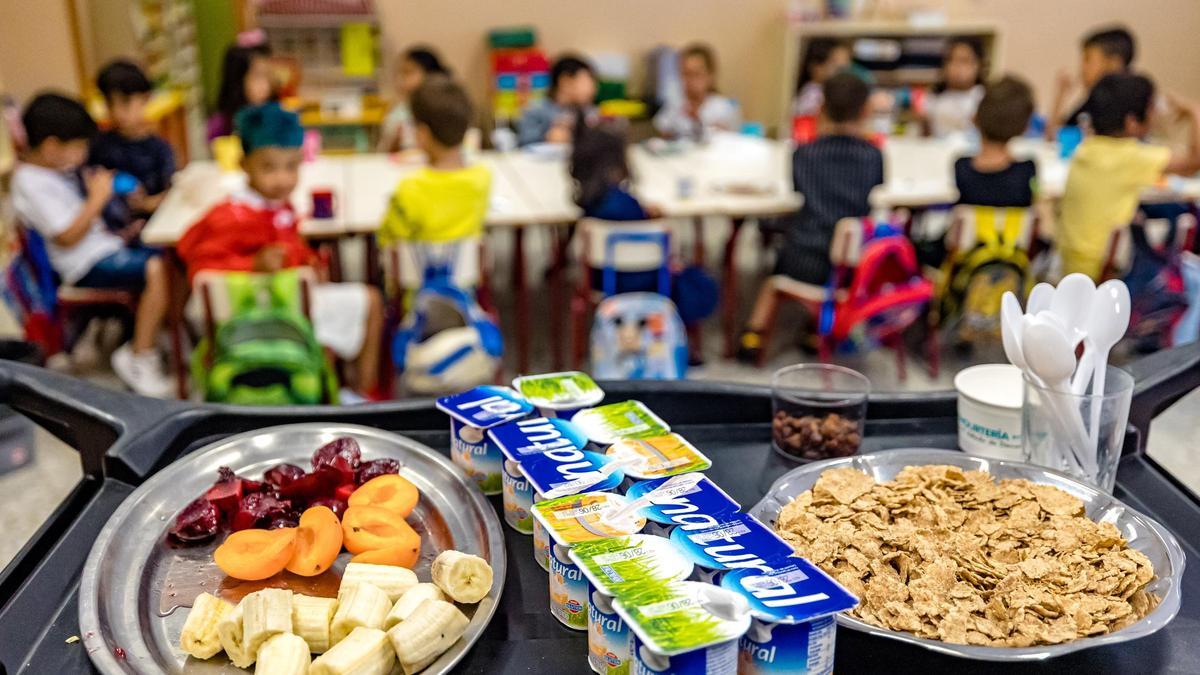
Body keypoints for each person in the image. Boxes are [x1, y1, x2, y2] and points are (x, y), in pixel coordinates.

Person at [178, 103, 384, 398]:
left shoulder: (272, 207)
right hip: (265, 313)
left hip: (279, 304)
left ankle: (343, 388)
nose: (282, 179)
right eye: (269, 167)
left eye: (291, 166)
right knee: (373, 302)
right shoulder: (231, 217)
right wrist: (252, 267)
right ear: (244, 163)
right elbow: (203, 270)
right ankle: (364, 394)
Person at [11, 93, 171, 396]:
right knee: (157, 268)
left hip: (103, 248)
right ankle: (139, 354)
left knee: (174, 253)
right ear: (51, 147)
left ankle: (154, 333)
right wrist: (97, 199)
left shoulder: (55, 172)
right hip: (82, 265)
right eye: (79, 147)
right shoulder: (29, 182)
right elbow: (67, 236)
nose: (84, 154)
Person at [737, 73, 883, 362]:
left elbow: (797, 192)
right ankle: (816, 331)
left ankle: (753, 335)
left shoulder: (804, 155)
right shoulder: (873, 156)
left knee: (774, 277)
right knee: (834, 273)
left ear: (822, 109)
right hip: (851, 264)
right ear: (866, 110)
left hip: (803, 255)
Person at [1058, 73, 1200, 279]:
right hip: (1106, 269)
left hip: (1071, 261)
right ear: (1132, 122)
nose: (1156, 114)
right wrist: (1194, 111)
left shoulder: (1086, 147)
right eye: (1152, 108)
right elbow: (1194, 162)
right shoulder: (1130, 156)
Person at [379, 75, 491, 250]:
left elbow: (387, 239)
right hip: (465, 276)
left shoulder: (410, 187)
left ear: (422, 133)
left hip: (416, 276)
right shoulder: (482, 178)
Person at [570, 112, 662, 292]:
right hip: (644, 279)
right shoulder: (628, 203)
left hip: (600, 280)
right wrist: (651, 216)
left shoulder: (589, 202)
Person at [89, 59, 175, 234]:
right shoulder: (98, 144)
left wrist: (147, 204)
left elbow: (173, 193)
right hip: (111, 232)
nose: (117, 112)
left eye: (125, 102)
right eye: (110, 103)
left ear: (146, 98)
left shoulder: (159, 149)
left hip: (154, 229)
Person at [954, 76, 1037, 208]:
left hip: (972, 229)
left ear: (976, 118)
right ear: (1024, 127)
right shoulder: (1027, 170)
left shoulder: (960, 168)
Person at [1047, 26, 1135, 138]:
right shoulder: (1095, 99)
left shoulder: (1130, 100)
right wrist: (1061, 95)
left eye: (1087, 59)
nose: (1082, 67)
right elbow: (1056, 135)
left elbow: (1053, 136)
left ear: (1114, 63)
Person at [653, 43, 740, 140]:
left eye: (696, 74)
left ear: (710, 75)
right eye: (685, 74)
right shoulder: (676, 104)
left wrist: (699, 121)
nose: (690, 80)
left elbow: (729, 140)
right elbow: (661, 130)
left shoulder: (722, 107)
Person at [378, 46, 449, 153]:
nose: (400, 79)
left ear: (430, 75)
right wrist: (394, 143)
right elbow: (384, 151)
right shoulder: (398, 113)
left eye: (408, 72)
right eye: (399, 73)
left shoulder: (445, 109)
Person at [516, 54, 596, 146]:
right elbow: (524, 141)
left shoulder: (589, 112)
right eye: (587, 81)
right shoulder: (535, 110)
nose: (593, 89)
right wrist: (547, 137)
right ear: (565, 81)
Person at [207, 39, 273, 141]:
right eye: (258, 76)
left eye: (267, 76)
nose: (266, 85)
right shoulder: (221, 125)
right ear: (238, 80)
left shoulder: (268, 113)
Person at [923, 37, 985, 138]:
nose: (957, 67)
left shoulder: (983, 97)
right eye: (951, 60)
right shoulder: (934, 97)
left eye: (964, 61)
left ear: (979, 65)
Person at [792, 38, 852, 118]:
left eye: (846, 66)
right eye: (837, 66)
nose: (844, 72)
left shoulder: (831, 92)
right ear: (816, 67)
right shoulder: (811, 98)